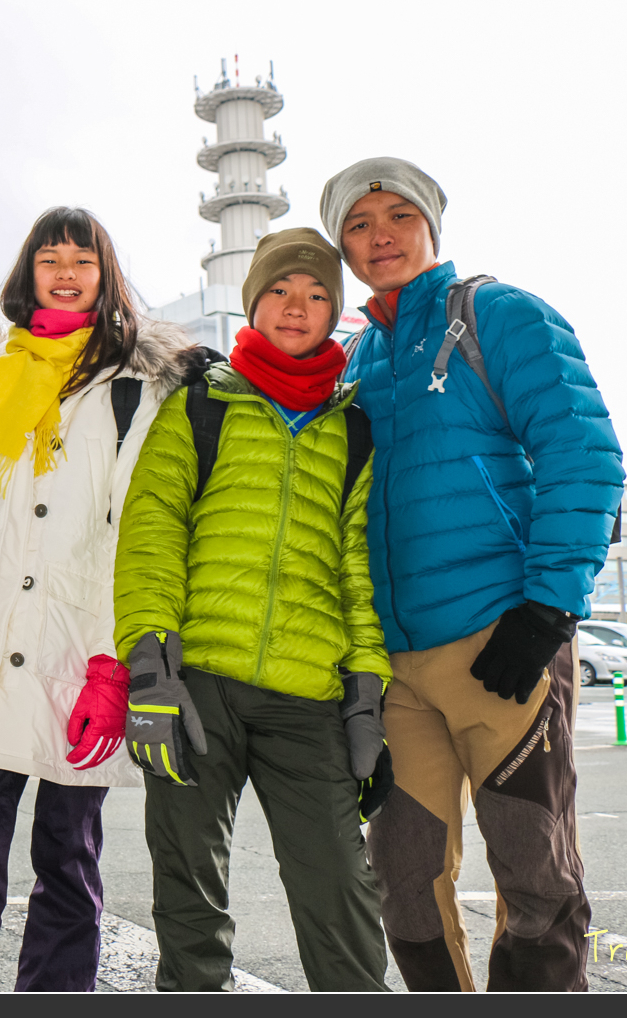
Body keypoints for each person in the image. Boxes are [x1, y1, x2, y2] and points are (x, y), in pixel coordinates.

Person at [322, 157, 623, 992]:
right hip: (395, 664)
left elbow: (584, 454)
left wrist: (547, 608)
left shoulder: (498, 315)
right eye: (358, 224)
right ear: (343, 247)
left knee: (535, 872)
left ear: (432, 225)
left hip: (502, 639)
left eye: (399, 215)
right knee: (403, 882)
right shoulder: (354, 358)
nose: (381, 235)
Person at [0, 207, 204, 992]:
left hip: (77, 651)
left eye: (82, 260)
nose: (66, 272)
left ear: (106, 277)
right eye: (50, 258)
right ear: (28, 272)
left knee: (68, 862)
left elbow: (133, 533)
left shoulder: (138, 388)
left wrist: (112, 663)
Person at [112, 227, 392, 992]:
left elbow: (358, 569)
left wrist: (366, 691)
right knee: (188, 884)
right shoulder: (201, 404)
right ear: (253, 303)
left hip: (310, 694)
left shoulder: (353, 428)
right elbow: (152, 533)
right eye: (280, 290)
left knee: (340, 885)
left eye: (317, 294)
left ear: (334, 312)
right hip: (198, 683)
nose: (297, 306)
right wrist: (150, 669)